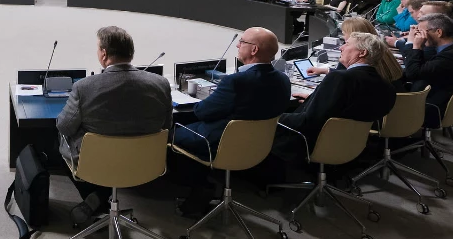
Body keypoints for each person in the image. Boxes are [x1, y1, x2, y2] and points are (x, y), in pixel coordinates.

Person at [56, 26, 172, 225]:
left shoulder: (84, 87)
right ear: (131, 53)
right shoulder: (161, 84)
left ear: (104, 54)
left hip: (97, 163)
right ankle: (102, 196)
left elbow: (64, 127)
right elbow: (167, 125)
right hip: (145, 163)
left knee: (62, 137)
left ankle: (98, 195)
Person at [171, 28, 290, 216]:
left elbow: (202, 112)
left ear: (254, 50)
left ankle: (201, 187)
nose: (237, 44)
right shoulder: (283, 79)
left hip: (221, 141)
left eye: (242, 42)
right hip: (259, 145)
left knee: (173, 132)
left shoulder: (236, 81)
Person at [274, 32, 397, 163]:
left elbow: (308, 121)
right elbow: (347, 109)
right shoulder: (387, 87)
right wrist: (314, 99)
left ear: (362, 53)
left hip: (310, 143)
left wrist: (273, 118)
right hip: (350, 145)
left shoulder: (339, 78)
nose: (341, 48)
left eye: (347, 44)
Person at [402, 15, 453, 127]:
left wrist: (416, 46)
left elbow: (412, 73)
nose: (419, 35)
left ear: (439, 32)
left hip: (431, 106)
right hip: (434, 96)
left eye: (421, 31)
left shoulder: (452, 56)